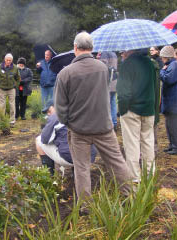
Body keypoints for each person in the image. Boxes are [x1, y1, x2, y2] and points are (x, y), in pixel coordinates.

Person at [55, 32, 131, 200]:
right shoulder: (103, 68)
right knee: (117, 162)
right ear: (92, 48)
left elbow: (60, 107)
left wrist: (67, 122)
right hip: (103, 127)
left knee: (81, 168)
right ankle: (129, 196)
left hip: (78, 129)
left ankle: (85, 206)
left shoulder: (65, 73)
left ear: (75, 47)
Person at [117, 48, 156, 183]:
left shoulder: (127, 65)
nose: (122, 54)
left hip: (132, 110)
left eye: (123, 51)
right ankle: (149, 177)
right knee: (148, 143)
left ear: (130, 50)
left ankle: (135, 180)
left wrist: (122, 110)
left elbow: (123, 93)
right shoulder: (150, 63)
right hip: (149, 109)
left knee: (132, 145)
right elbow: (155, 87)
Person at [35, 99, 96, 175]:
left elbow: (44, 140)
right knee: (74, 142)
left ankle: (49, 175)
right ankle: (76, 174)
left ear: (54, 107)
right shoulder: (80, 112)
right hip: (89, 157)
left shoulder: (55, 117)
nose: (48, 114)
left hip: (70, 158)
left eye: (49, 111)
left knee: (38, 140)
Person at [159, 46, 177, 155]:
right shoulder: (171, 64)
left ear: (166, 56)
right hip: (172, 101)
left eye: (162, 57)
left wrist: (161, 71)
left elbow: (169, 79)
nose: (161, 59)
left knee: (174, 126)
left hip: (174, 102)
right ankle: (172, 145)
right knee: (169, 125)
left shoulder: (173, 65)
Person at [0, 53, 21, 126]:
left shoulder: (15, 68)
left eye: (10, 60)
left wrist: (15, 86)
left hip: (11, 89)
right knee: (2, 105)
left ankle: (12, 121)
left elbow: (18, 78)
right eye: (7, 60)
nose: (8, 61)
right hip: (1, 89)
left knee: (12, 105)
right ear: (4, 60)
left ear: (12, 60)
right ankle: (2, 120)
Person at [97, 51, 118, 131]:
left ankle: (108, 124)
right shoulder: (114, 53)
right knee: (113, 102)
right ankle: (114, 122)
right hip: (114, 80)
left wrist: (97, 60)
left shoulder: (105, 53)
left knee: (106, 103)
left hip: (107, 81)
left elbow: (102, 66)